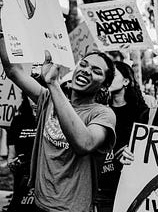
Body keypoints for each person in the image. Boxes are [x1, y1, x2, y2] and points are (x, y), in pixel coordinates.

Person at [0, 21, 116, 212]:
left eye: (96, 71)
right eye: (84, 64)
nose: (86, 71)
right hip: (39, 204)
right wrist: (3, 29)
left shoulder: (103, 114)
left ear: (104, 85)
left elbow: (84, 144)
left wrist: (53, 83)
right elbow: (14, 71)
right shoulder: (48, 99)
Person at [94, 61, 148, 211]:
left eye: (113, 74)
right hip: (104, 187)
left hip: (132, 187)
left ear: (126, 81)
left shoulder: (143, 113)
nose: (108, 78)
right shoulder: (99, 110)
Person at [6, 93, 37, 211]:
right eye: (31, 95)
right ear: (26, 97)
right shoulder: (18, 121)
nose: (34, 100)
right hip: (22, 180)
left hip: (44, 181)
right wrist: (13, 163)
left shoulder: (51, 120)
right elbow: (11, 156)